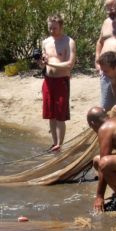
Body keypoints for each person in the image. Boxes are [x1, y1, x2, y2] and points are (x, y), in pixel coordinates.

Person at [40, 14, 77, 151]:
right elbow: (43, 66)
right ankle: (54, 143)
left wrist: (51, 64)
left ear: (61, 27)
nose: (52, 31)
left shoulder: (69, 42)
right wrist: (41, 62)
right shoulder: (45, 42)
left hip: (62, 81)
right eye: (50, 28)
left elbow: (69, 65)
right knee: (51, 114)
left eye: (54, 28)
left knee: (60, 114)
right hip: (48, 81)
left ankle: (60, 145)